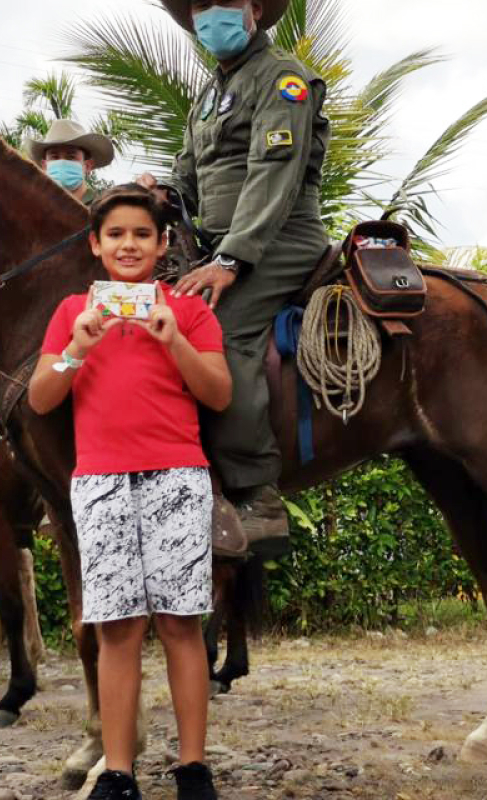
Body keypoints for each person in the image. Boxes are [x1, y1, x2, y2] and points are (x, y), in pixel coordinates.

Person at [28, 185, 231, 800]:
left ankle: (193, 767)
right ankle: (119, 770)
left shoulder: (189, 311)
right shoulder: (70, 313)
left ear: (163, 244)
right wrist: (74, 352)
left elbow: (219, 394)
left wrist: (172, 339)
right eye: (115, 234)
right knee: (116, 628)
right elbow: (40, 398)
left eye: (142, 234)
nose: (129, 245)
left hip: (177, 476)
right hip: (100, 482)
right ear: (95, 245)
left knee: (179, 623)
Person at [139, 0, 329, 557]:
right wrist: (164, 194)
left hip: (281, 239)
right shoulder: (209, 94)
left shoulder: (283, 79)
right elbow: (191, 174)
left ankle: (258, 496)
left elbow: (276, 172)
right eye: (202, 5)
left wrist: (231, 260)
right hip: (218, 243)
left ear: (253, 10)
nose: (212, 14)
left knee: (215, 332)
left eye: (227, 2)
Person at [27, 119, 116, 206]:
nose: (62, 162)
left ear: (88, 165)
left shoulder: (103, 210)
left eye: (71, 157)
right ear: (44, 166)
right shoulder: (36, 208)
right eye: (54, 157)